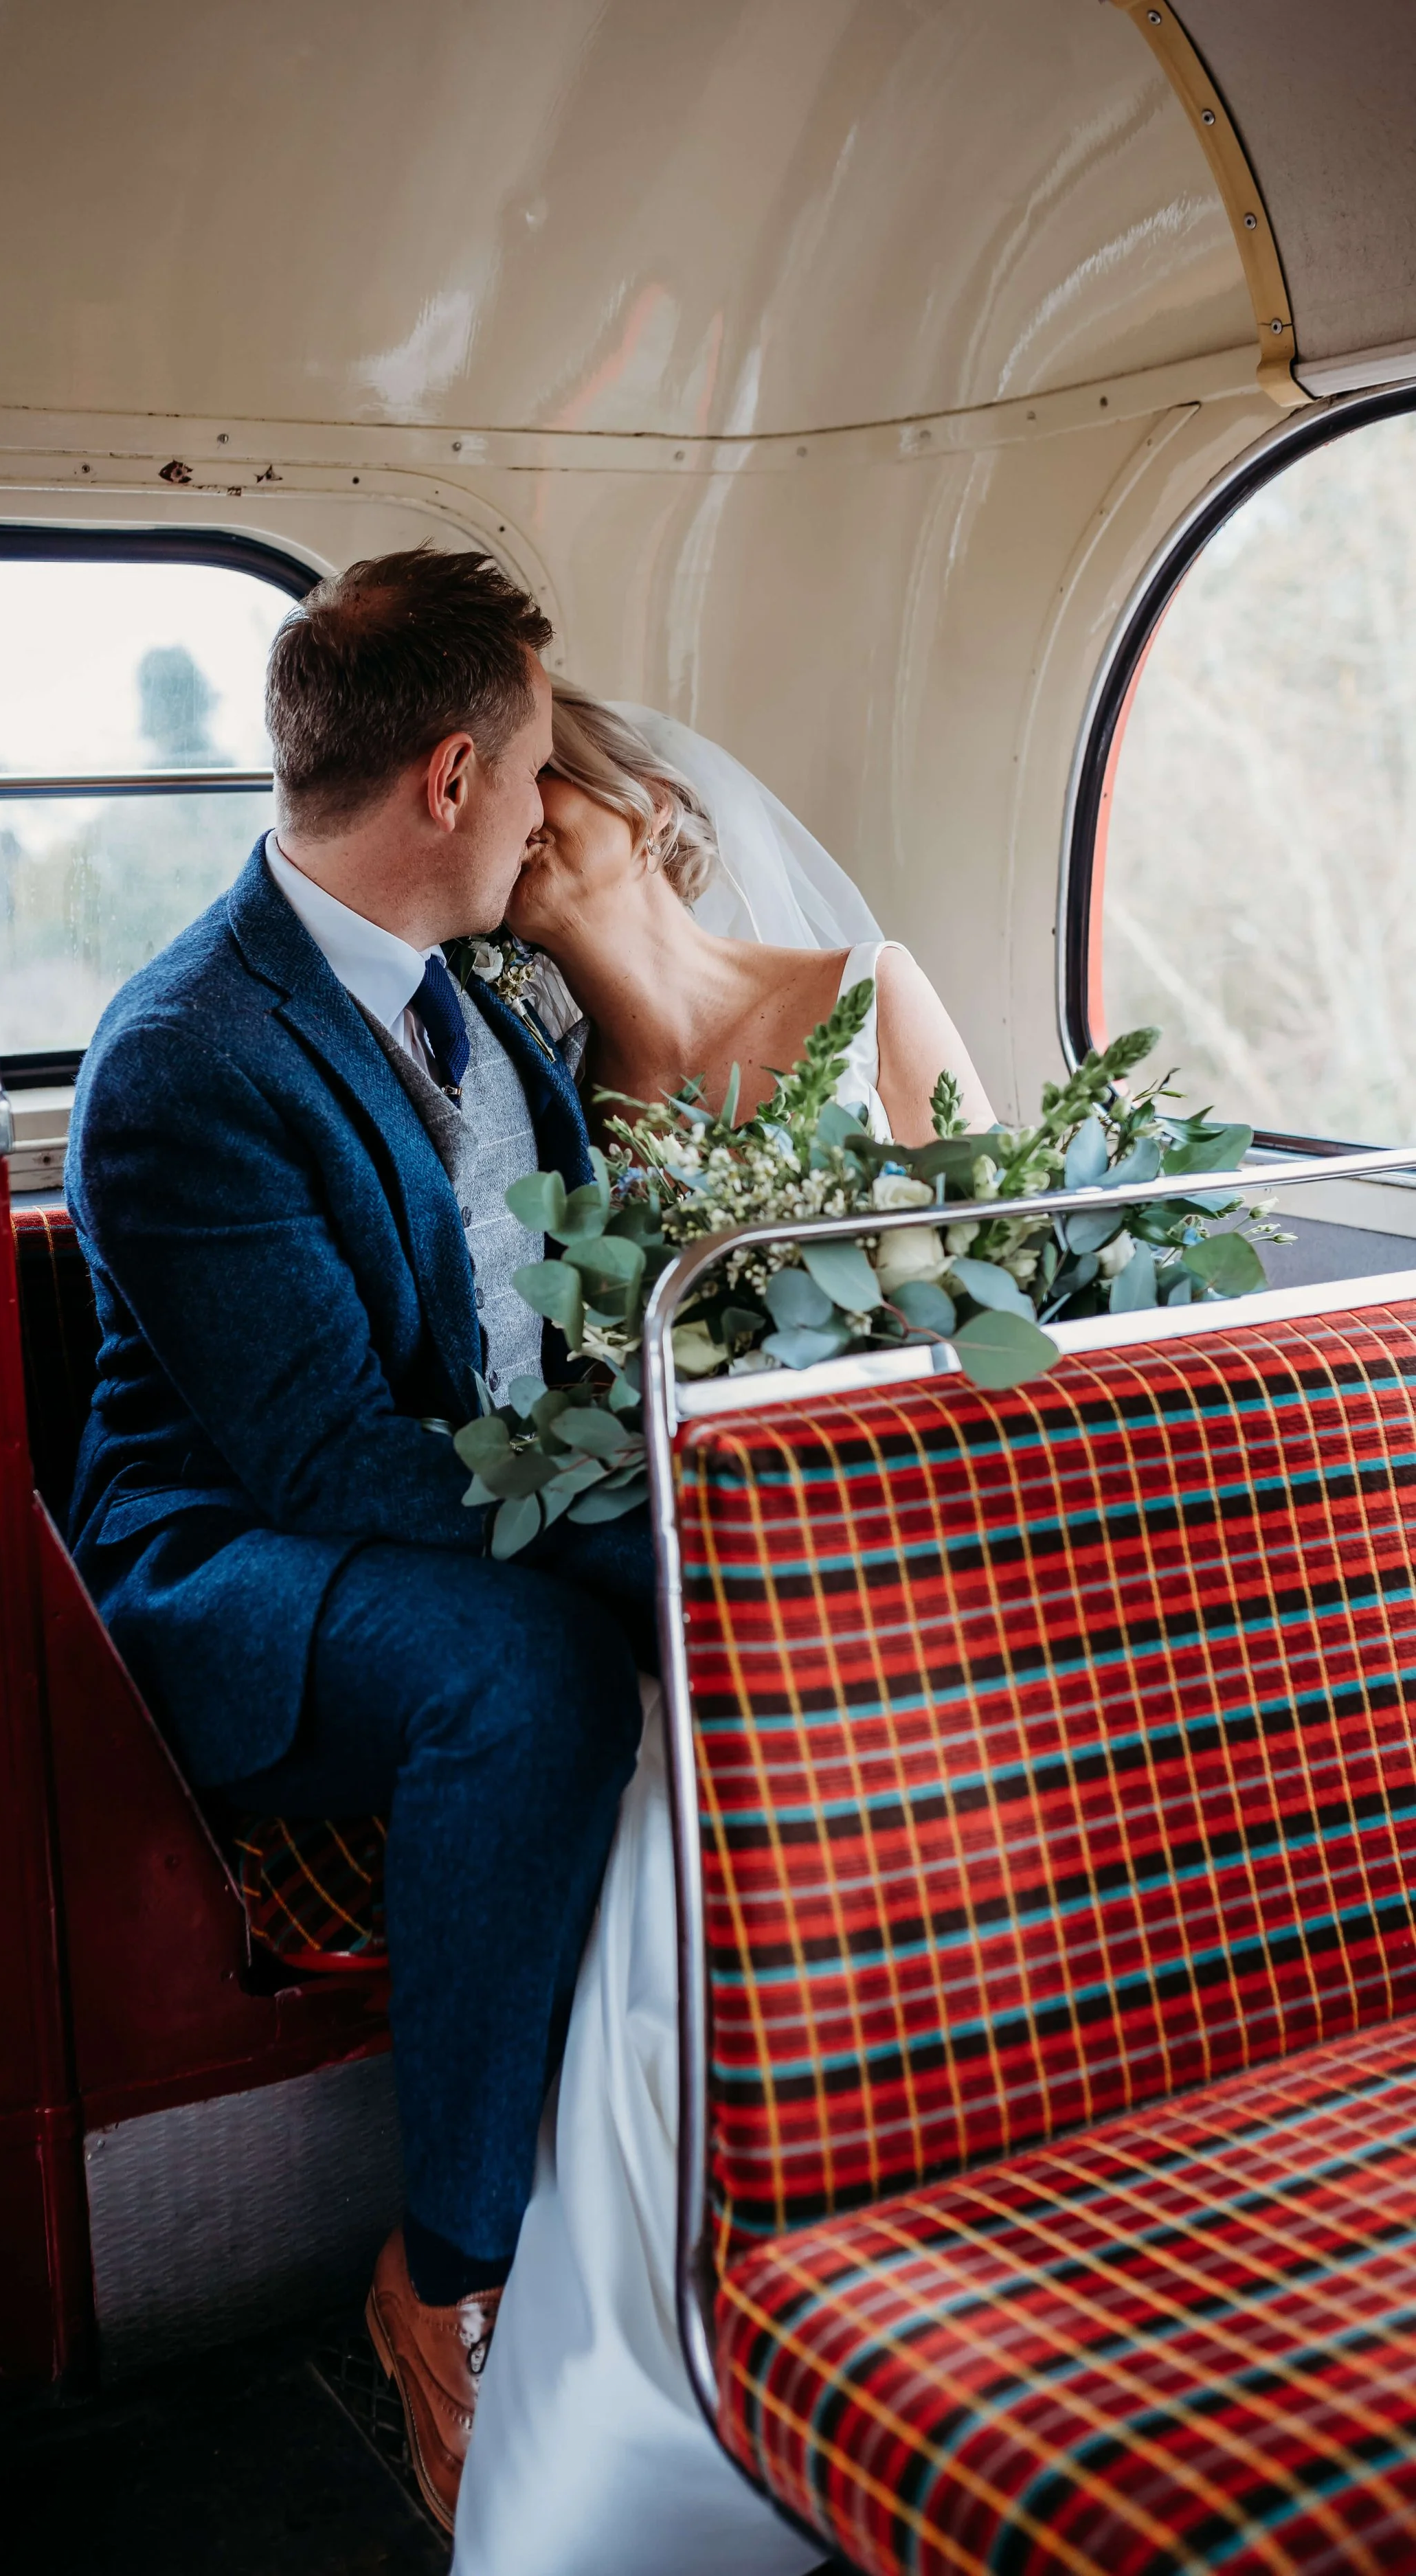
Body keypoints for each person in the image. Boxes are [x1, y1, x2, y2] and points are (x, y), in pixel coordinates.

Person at [64, 554, 655, 2535]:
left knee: (739, 1610)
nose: (545, 814)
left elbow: (548, 1311)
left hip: (439, 1498)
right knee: (535, 1665)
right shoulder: (183, 1057)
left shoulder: (486, 1005)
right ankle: (444, 2268)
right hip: (232, 1561)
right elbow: (318, 1456)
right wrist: (629, 1526)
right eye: (535, 773)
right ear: (451, 773)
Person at [452, 686, 992, 2574]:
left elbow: (1012, 1319)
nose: (521, 822)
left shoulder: (861, 990)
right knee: (651, 1781)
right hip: (711, 1601)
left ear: (637, 798)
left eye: (542, 785)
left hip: (929, 1565)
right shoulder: (540, 1113)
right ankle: (672, 2361)